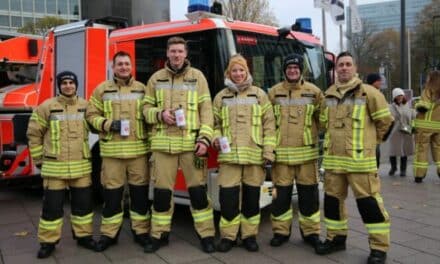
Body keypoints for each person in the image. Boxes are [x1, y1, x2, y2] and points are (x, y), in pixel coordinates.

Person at [317, 52, 393, 264]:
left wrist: (371, 144)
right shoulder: (328, 95)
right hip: (333, 162)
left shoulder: (369, 93)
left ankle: (378, 248)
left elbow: (386, 122)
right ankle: (336, 239)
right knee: (332, 203)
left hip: (361, 162)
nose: (343, 68)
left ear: (355, 68)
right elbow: (324, 124)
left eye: (348, 64)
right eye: (340, 65)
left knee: (369, 205)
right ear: (336, 69)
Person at [143, 36, 216, 253]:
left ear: (186, 54)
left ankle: (206, 235)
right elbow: (145, 110)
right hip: (163, 146)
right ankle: (159, 235)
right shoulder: (156, 79)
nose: (176, 55)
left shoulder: (198, 77)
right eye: (173, 51)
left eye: (180, 51)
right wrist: (160, 114)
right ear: (167, 53)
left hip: (190, 145)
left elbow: (207, 112)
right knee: (162, 195)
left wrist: (204, 139)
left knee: (198, 194)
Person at [27, 71, 96, 258]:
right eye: (64, 82)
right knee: (52, 209)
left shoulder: (86, 106)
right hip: (54, 169)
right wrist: (39, 160)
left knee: (83, 207)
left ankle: (84, 237)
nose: (68, 86)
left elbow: (97, 124)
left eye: (71, 82)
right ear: (59, 86)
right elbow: (34, 135)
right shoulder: (46, 107)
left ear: (76, 85)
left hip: (81, 167)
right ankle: (48, 242)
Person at [86, 51, 151, 251]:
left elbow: (150, 117)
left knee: (139, 197)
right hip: (112, 154)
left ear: (131, 67)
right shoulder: (102, 90)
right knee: (112, 197)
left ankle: (141, 232)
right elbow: (90, 115)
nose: (123, 67)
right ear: (113, 67)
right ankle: (109, 234)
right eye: (119, 64)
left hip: (138, 153)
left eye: (126, 64)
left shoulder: (143, 89)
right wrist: (107, 124)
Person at [212, 54, 276, 252]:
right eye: (234, 70)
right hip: (229, 157)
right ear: (228, 73)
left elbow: (269, 125)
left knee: (251, 199)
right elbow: (213, 124)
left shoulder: (259, 95)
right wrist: (215, 137)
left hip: (254, 157)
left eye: (241, 70)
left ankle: (249, 236)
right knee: (228, 199)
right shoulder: (221, 96)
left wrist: (268, 151)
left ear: (247, 72)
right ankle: (228, 237)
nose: (238, 74)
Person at [267, 54, 323, 250]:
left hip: (307, 156)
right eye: (289, 68)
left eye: (295, 68)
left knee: (309, 197)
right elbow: (267, 123)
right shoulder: (273, 93)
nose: (292, 71)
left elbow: (323, 120)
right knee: (279, 197)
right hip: (281, 156)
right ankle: (281, 232)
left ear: (301, 70)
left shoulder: (314, 92)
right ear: (284, 70)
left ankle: (311, 234)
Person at [414, 70, 440, 183]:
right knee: (438, 149)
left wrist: (418, 105)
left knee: (422, 149)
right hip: (438, 126)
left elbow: (423, 104)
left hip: (425, 125)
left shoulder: (428, 89)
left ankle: (419, 174)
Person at [387, 88, 415, 177]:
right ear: (394, 97)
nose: (400, 97)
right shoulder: (390, 107)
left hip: (405, 130)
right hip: (394, 131)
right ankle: (393, 167)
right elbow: (388, 118)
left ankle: (403, 170)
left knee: (404, 151)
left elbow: (413, 116)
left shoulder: (408, 106)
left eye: (401, 95)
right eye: (398, 96)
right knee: (393, 151)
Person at [366, 73, 383, 168]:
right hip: (371, 129)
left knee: (376, 151)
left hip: (375, 130)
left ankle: (374, 169)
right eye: (378, 80)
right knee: (374, 151)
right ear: (374, 82)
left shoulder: (377, 93)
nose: (380, 82)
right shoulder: (373, 94)